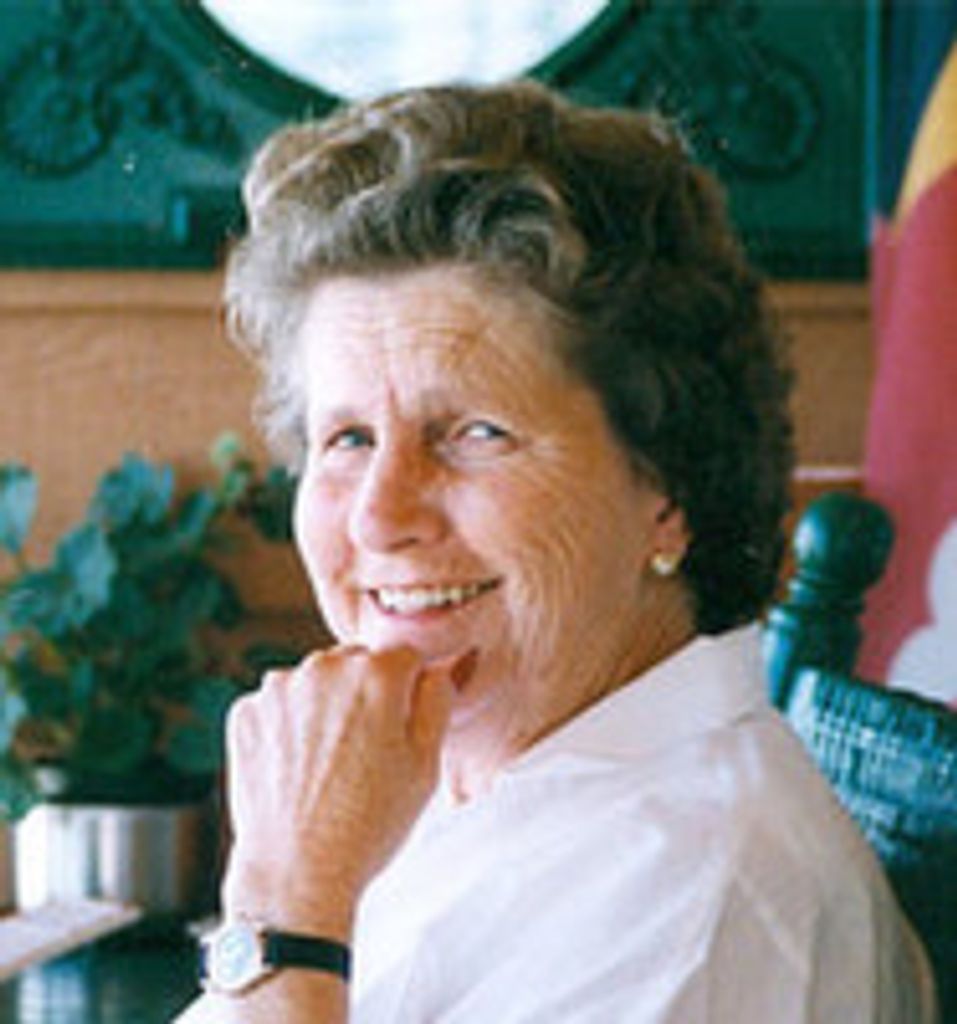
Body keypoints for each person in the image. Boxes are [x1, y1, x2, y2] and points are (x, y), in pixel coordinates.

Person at [177, 81, 935, 1023]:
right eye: (348, 439)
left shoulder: (696, 905)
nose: (377, 518)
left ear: (668, 489)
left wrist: (284, 911)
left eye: (474, 434)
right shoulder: (452, 781)